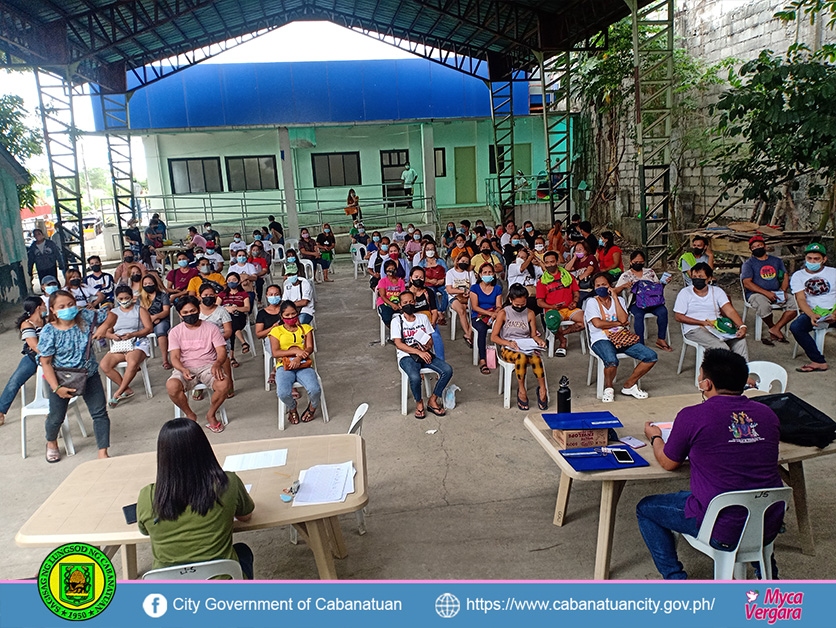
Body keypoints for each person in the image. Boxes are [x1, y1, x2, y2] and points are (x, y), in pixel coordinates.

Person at [637, 349, 783, 580]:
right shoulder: (767, 414)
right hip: (769, 523)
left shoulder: (692, 416)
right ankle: (767, 576)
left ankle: (676, 580)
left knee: (646, 508)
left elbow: (667, 462)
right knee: (754, 497)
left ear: (706, 384)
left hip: (720, 526)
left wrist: (654, 436)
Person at [137, 419, 255, 578]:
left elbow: (144, 531)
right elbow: (245, 516)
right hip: (222, 590)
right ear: (204, 449)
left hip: (170, 593)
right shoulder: (227, 484)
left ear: (163, 455)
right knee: (242, 551)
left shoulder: (147, 496)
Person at [38, 290, 111, 462]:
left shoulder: (84, 316)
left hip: (89, 374)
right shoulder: (49, 332)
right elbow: (46, 363)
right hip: (61, 378)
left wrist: (103, 327)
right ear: (53, 310)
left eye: (70, 304)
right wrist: (57, 388)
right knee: (56, 417)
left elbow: (111, 316)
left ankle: (103, 452)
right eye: (61, 306)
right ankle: (51, 442)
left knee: (99, 413)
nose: (67, 309)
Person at [585, 272, 658, 402]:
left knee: (651, 356)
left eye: (604, 284)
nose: (601, 287)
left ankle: (629, 385)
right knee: (611, 361)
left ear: (610, 286)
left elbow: (624, 318)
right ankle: (609, 387)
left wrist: (615, 297)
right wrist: (618, 323)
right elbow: (597, 323)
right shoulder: (592, 302)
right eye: (598, 285)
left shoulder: (620, 300)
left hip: (621, 337)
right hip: (601, 339)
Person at [167, 296, 230, 432]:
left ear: (198, 310)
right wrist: (182, 369)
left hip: (208, 365)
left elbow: (221, 351)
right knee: (172, 386)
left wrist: (217, 363)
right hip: (185, 368)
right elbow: (175, 357)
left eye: (192, 311)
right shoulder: (175, 332)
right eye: (185, 313)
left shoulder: (211, 328)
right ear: (180, 314)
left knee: (224, 384)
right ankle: (190, 414)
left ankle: (211, 414)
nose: (190, 314)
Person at [391, 291, 453, 419]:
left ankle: (433, 399)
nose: (409, 305)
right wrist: (419, 352)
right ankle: (419, 402)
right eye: (405, 303)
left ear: (415, 302)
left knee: (447, 370)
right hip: (406, 356)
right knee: (415, 377)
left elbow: (430, 339)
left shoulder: (423, 318)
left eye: (411, 302)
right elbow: (398, 344)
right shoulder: (397, 321)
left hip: (424, 352)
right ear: (400, 305)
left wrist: (427, 346)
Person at [491, 283, 548, 411]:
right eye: (517, 305)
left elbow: (533, 334)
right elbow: (494, 337)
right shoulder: (503, 313)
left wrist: (539, 341)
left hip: (525, 345)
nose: (520, 307)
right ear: (510, 300)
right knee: (521, 358)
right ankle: (521, 389)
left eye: (522, 305)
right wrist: (508, 343)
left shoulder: (530, 313)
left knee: (536, 358)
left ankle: (542, 389)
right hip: (508, 348)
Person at [673, 262, 748, 359]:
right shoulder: (685, 293)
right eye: (694, 276)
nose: (697, 279)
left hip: (716, 326)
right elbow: (678, 316)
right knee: (722, 348)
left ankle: (742, 373)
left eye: (700, 276)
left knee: (740, 341)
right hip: (694, 328)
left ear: (709, 278)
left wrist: (742, 326)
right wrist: (701, 322)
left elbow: (729, 310)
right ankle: (722, 373)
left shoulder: (717, 291)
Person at [98, 285, 153, 407]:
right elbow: (107, 331)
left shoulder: (140, 310)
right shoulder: (113, 313)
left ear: (132, 297)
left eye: (126, 298)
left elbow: (149, 328)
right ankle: (126, 388)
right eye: (121, 298)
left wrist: (132, 334)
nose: (124, 301)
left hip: (137, 342)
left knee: (132, 362)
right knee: (104, 365)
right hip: (119, 344)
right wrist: (113, 336)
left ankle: (118, 391)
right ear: (117, 298)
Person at [269, 301, 321, 425]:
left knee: (315, 389)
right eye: (287, 315)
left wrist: (298, 358)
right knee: (282, 392)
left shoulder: (306, 329)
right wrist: (295, 351)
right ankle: (292, 408)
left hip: (303, 365)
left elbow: (309, 348)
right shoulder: (276, 331)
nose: (291, 317)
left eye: (293, 314)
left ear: (298, 313)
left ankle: (312, 408)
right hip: (284, 366)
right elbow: (275, 353)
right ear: (281, 316)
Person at [738, 236, 796, 346]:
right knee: (762, 304)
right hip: (756, 294)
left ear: (765, 246)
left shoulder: (776, 261)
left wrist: (783, 290)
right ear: (751, 250)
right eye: (753, 247)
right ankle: (771, 327)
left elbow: (785, 276)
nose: (757, 248)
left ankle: (776, 328)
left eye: (759, 245)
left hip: (776, 292)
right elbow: (747, 283)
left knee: (795, 302)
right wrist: (766, 293)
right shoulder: (748, 264)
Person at [789, 242, 836, 372]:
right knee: (796, 327)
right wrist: (811, 315)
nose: (812, 261)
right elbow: (801, 299)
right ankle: (818, 361)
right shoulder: (798, 276)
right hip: (813, 311)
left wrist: (835, 313)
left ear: (824, 259)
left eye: (816, 259)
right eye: (809, 258)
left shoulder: (833, 273)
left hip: (834, 310)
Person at [0, 297, 47, 426]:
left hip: (49, 356)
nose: (45, 306)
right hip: (34, 357)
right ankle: (0, 412)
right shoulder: (27, 324)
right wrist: (48, 356)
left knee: (53, 380)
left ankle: (52, 408)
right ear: (38, 307)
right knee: (15, 380)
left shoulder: (46, 320)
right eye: (43, 304)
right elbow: (34, 346)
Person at [615, 250, 671, 351]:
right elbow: (615, 291)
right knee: (639, 315)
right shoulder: (626, 275)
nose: (639, 264)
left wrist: (664, 283)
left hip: (653, 302)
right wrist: (624, 285)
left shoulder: (649, 272)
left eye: (641, 262)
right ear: (631, 262)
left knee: (663, 311)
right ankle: (640, 343)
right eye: (636, 262)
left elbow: (658, 288)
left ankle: (661, 339)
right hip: (636, 303)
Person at [536, 251, 584, 356]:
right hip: (553, 310)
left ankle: (561, 334)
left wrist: (575, 302)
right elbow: (539, 302)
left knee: (586, 320)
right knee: (552, 322)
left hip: (570, 308)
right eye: (547, 263)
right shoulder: (542, 281)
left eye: (552, 262)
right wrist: (551, 306)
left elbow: (576, 292)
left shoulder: (568, 276)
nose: (549, 265)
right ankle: (563, 341)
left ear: (557, 262)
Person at [198, 283, 234, 396]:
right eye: (205, 295)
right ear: (200, 296)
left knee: (224, 358)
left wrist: (217, 341)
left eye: (211, 295)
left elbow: (228, 331)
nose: (208, 297)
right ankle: (199, 383)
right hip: (200, 342)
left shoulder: (222, 311)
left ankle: (229, 384)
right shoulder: (195, 310)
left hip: (220, 340)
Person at [469, 263, 503, 375]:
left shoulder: (497, 288)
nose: (487, 274)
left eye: (490, 272)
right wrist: (489, 313)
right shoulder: (474, 288)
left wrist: (494, 314)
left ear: (493, 274)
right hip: (478, 316)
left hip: (493, 315)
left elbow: (499, 306)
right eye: (485, 272)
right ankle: (482, 360)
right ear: (480, 274)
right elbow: (475, 307)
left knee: (503, 326)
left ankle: (504, 354)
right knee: (482, 330)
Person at [408, 266, 445, 361]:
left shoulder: (429, 292)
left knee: (436, 336)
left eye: (421, 277)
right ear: (411, 278)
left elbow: (434, 311)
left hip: (428, 321)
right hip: (413, 323)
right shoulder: (406, 294)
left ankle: (441, 363)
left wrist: (432, 323)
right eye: (416, 277)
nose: (419, 279)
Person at [218, 272, 251, 368]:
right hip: (225, 319)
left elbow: (247, 308)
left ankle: (232, 357)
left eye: (234, 280)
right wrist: (226, 309)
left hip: (240, 318)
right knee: (230, 324)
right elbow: (216, 307)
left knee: (231, 326)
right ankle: (243, 342)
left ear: (239, 282)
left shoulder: (243, 294)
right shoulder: (223, 294)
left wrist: (236, 308)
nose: (231, 282)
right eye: (229, 280)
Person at [140, 273, 172, 369]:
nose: (148, 285)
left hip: (162, 320)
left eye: (150, 283)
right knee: (136, 332)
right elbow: (140, 313)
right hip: (146, 322)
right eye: (145, 284)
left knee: (161, 331)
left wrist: (156, 317)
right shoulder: (141, 298)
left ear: (154, 283)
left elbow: (166, 311)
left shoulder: (162, 296)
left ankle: (165, 360)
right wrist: (151, 320)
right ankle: (138, 361)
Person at [446, 253, 475, 346]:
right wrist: (463, 291)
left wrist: (468, 293)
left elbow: (474, 287)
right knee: (461, 310)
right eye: (463, 261)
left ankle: (468, 335)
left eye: (467, 262)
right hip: (454, 297)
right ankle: (469, 335)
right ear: (457, 261)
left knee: (475, 309)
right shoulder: (450, 273)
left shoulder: (470, 273)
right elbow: (449, 289)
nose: (464, 263)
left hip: (468, 297)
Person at [417, 241, 448, 323]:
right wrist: (431, 280)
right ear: (424, 251)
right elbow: (420, 275)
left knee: (447, 291)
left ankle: (442, 310)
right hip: (428, 284)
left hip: (441, 283)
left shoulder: (441, 261)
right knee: (431, 292)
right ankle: (439, 313)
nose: (430, 251)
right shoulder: (422, 263)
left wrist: (443, 280)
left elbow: (447, 273)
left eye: (432, 249)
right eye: (428, 249)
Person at [377, 260, 405, 328]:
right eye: (389, 269)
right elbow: (383, 296)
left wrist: (400, 304)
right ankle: (393, 332)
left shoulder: (400, 281)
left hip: (398, 302)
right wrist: (392, 304)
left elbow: (403, 295)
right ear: (385, 270)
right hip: (385, 302)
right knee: (387, 318)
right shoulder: (382, 281)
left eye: (393, 269)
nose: (391, 270)